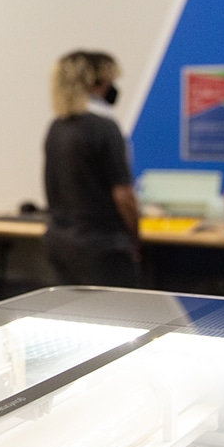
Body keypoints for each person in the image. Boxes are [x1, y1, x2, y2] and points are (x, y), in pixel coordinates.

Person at [43, 50, 140, 287]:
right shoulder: (105, 128)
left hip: (60, 242)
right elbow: (123, 195)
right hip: (102, 247)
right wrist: (135, 238)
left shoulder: (57, 127)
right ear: (99, 82)